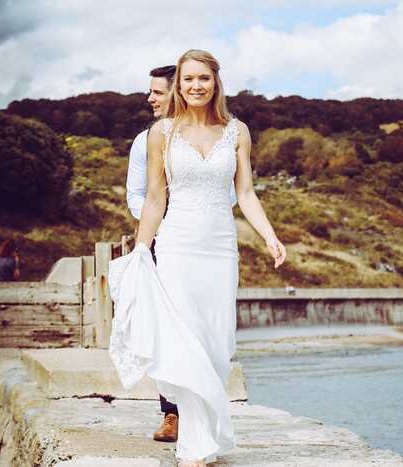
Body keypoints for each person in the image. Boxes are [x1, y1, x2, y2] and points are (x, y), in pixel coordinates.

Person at [108, 49, 286, 466]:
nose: (195, 86)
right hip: (177, 245)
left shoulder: (237, 131)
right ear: (180, 85)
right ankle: (195, 446)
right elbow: (154, 197)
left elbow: (245, 193)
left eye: (203, 78)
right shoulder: (161, 134)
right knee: (184, 339)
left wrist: (270, 235)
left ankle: (205, 429)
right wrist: (141, 248)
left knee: (216, 343)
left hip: (220, 247)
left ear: (215, 82)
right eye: (188, 79)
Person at [125, 64, 182, 443]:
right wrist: (160, 223)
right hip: (161, 242)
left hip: (200, 243)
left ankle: (201, 407)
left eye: (158, 92)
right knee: (165, 331)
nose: (150, 98)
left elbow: (228, 194)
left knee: (200, 327)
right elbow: (136, 195)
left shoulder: (214, 136)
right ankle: (171, 414)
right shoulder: (143, 139)